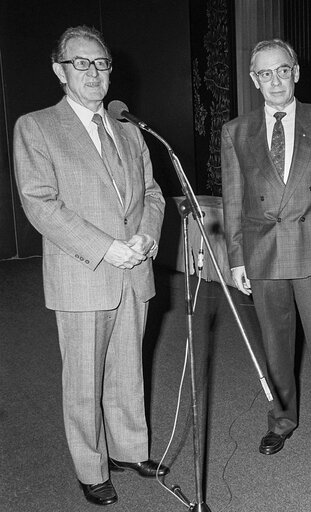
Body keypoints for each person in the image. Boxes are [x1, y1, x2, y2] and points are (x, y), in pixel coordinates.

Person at [13, 26, 167, 506]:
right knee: (83, 379)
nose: (94, 72)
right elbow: (40, 202)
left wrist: (146, 235)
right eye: (81, 63)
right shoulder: (36, 126)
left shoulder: (127, 127)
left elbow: (154, 194)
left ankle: (128, 448)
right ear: (60, 71)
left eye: (101, 63)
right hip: (84, 272)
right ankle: (90, 466)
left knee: (128, 368)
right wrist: (105, 247)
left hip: (134, 268)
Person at [221, 39, 311, 459]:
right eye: (265, 73)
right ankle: (281, 420)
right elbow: (232, 199)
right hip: (262, 253)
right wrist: (236, 257)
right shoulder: (235, 131)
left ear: (296, 72)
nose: (275, 80)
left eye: (283, 70)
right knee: (275, 345)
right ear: (254, 80)